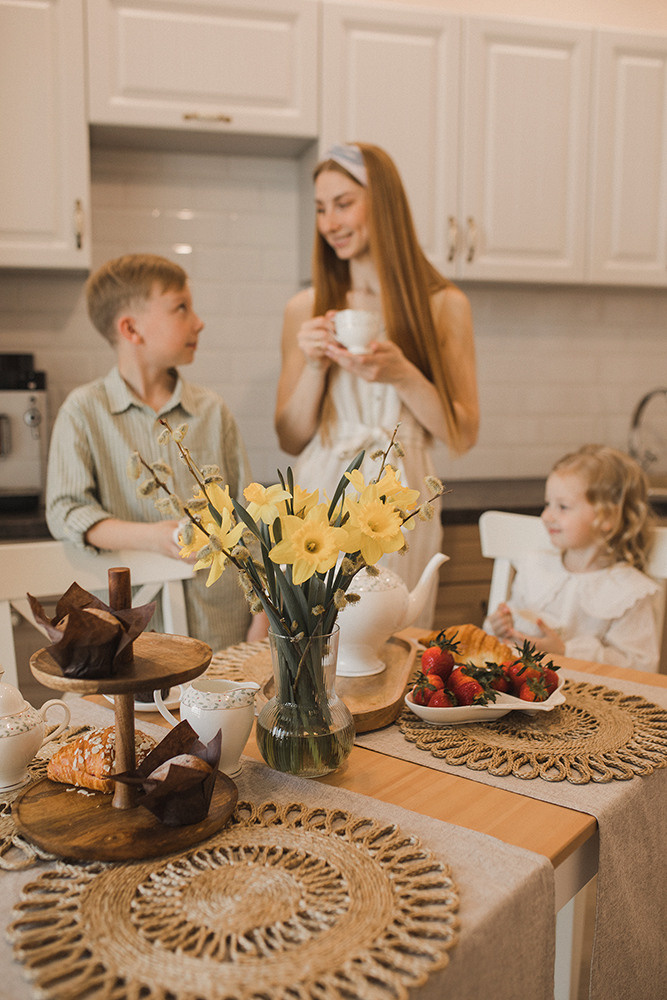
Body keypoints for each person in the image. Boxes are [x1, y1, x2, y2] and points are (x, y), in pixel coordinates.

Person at [274, 142, 479, 626]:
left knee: (395, 641)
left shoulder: (444, 306)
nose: (329, 223)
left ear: (383, 204)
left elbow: (463, 435)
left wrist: (404, 375)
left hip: (401, 500)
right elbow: (289, 437)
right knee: (313, 647)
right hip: (320, 492)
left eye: (343, 204)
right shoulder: (305, 307)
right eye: (322, 209)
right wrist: (316, 366)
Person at [46, 253, 267, 650]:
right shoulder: (83, 412)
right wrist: (152, 538)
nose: (198, 321)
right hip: (136, 645)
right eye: (181, 307)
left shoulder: (212, 411)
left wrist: (262, 619)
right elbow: (66, 512)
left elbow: (251, 522)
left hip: (224, 631)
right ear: (131, 328)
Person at [485, 445, 661, 672]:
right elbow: (515, 615)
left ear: (606, 517)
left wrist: (565, 653)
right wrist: (502, 625)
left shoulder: (628, 593)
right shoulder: (535, 566)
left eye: (563, 507)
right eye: (548, 504)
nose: (546, 516)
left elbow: (640, 667)